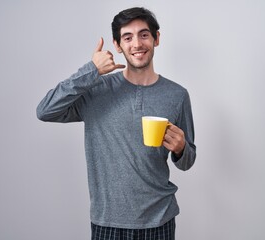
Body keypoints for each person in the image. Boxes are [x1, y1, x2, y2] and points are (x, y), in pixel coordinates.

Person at [37, 7, 196, 240]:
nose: (137, 44)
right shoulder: (96, 90)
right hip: (108, 223)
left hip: (160, 220)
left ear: (156, 39)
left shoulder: (177, 95)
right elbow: (45, 110)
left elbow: (187, 162)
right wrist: (91, 70)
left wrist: (182, 148)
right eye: (127, 37)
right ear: (117, 45)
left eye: (144, 35)